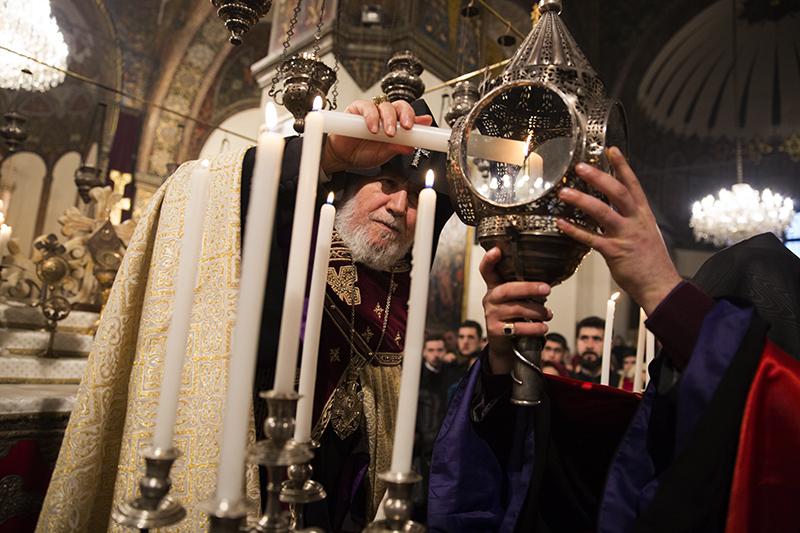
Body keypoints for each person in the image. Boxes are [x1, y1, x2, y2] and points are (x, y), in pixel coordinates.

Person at [37, 98, 453, 533]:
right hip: (249, 475)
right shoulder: (288, 234)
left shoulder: (400, 287)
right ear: (349, 182)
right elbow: (227, 195)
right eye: (386, 182)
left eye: (415, 200)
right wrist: (325, 152)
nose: (399, 207)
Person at [428, 147, 800, 532]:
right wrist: (506, 359)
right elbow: (544, 465)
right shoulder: (652, 438)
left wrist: (661, 289)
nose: (698, 380)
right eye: (685, 363)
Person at [570, 316, 605, 383]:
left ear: (610, 345)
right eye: (584, 338)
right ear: (576, 342)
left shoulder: (623, 385)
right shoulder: (566, 383)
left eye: (596, 339)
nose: (589, 346)